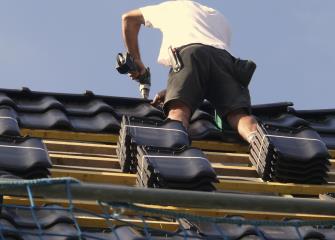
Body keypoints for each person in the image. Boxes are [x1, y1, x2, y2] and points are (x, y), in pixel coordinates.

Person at [121, 0, 257, 143]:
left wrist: (136, 60)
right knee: (239, 115)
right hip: (225, 60)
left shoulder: (173, 6)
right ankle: (256, 140)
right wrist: (172, 90)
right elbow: (207, 75)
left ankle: (174, 145)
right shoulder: (217, 16)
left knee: (178, 110)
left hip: (190, 53)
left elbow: (128, 19)